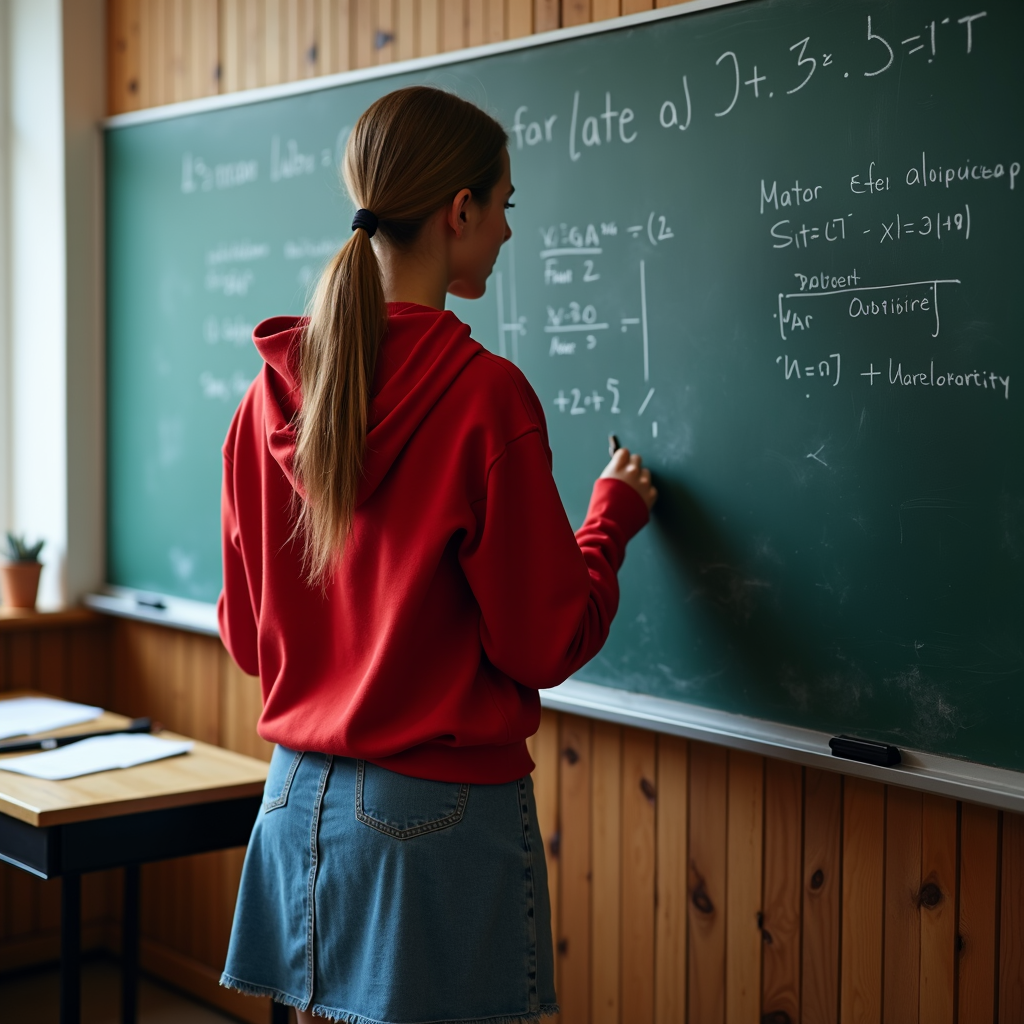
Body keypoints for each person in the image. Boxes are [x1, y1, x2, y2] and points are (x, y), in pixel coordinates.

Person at [217, 86, 657, 1024]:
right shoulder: (484, 397)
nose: (506, 231)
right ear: (458, 211)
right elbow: (542, 641)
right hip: (435, 819)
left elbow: (251, 641)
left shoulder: (267, 403)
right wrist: (610, 520)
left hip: (295, 804)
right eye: (503, 205)